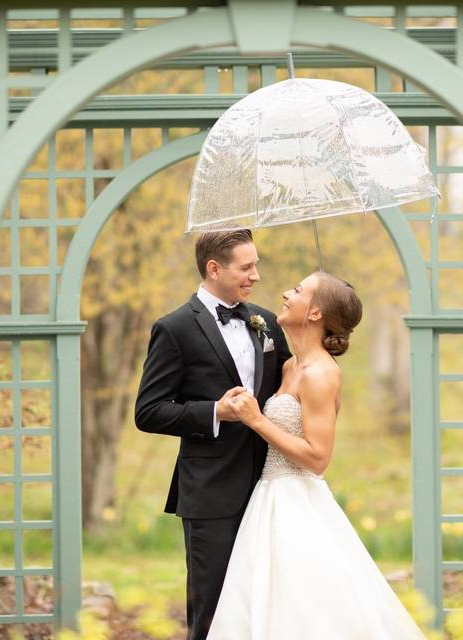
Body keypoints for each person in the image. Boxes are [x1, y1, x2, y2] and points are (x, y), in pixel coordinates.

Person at [207, 272, 425, 639]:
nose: (285, 292)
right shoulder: (290, 366)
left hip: (298, 503)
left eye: (298, 290)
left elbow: (318, 457)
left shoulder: (322, 373)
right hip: (268, 499)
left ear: (315, 313)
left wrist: (256, 420)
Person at [134, 229, 292, 640]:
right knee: (214, 605)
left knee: (270, 600)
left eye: (256, 264)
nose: (255, 275)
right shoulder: (174, 329)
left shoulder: (267, 323)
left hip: (272, 486)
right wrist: (215, 412)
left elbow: (292, 382)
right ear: (214, 268)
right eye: (247, 266)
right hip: (210, 494)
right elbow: (149, 412)